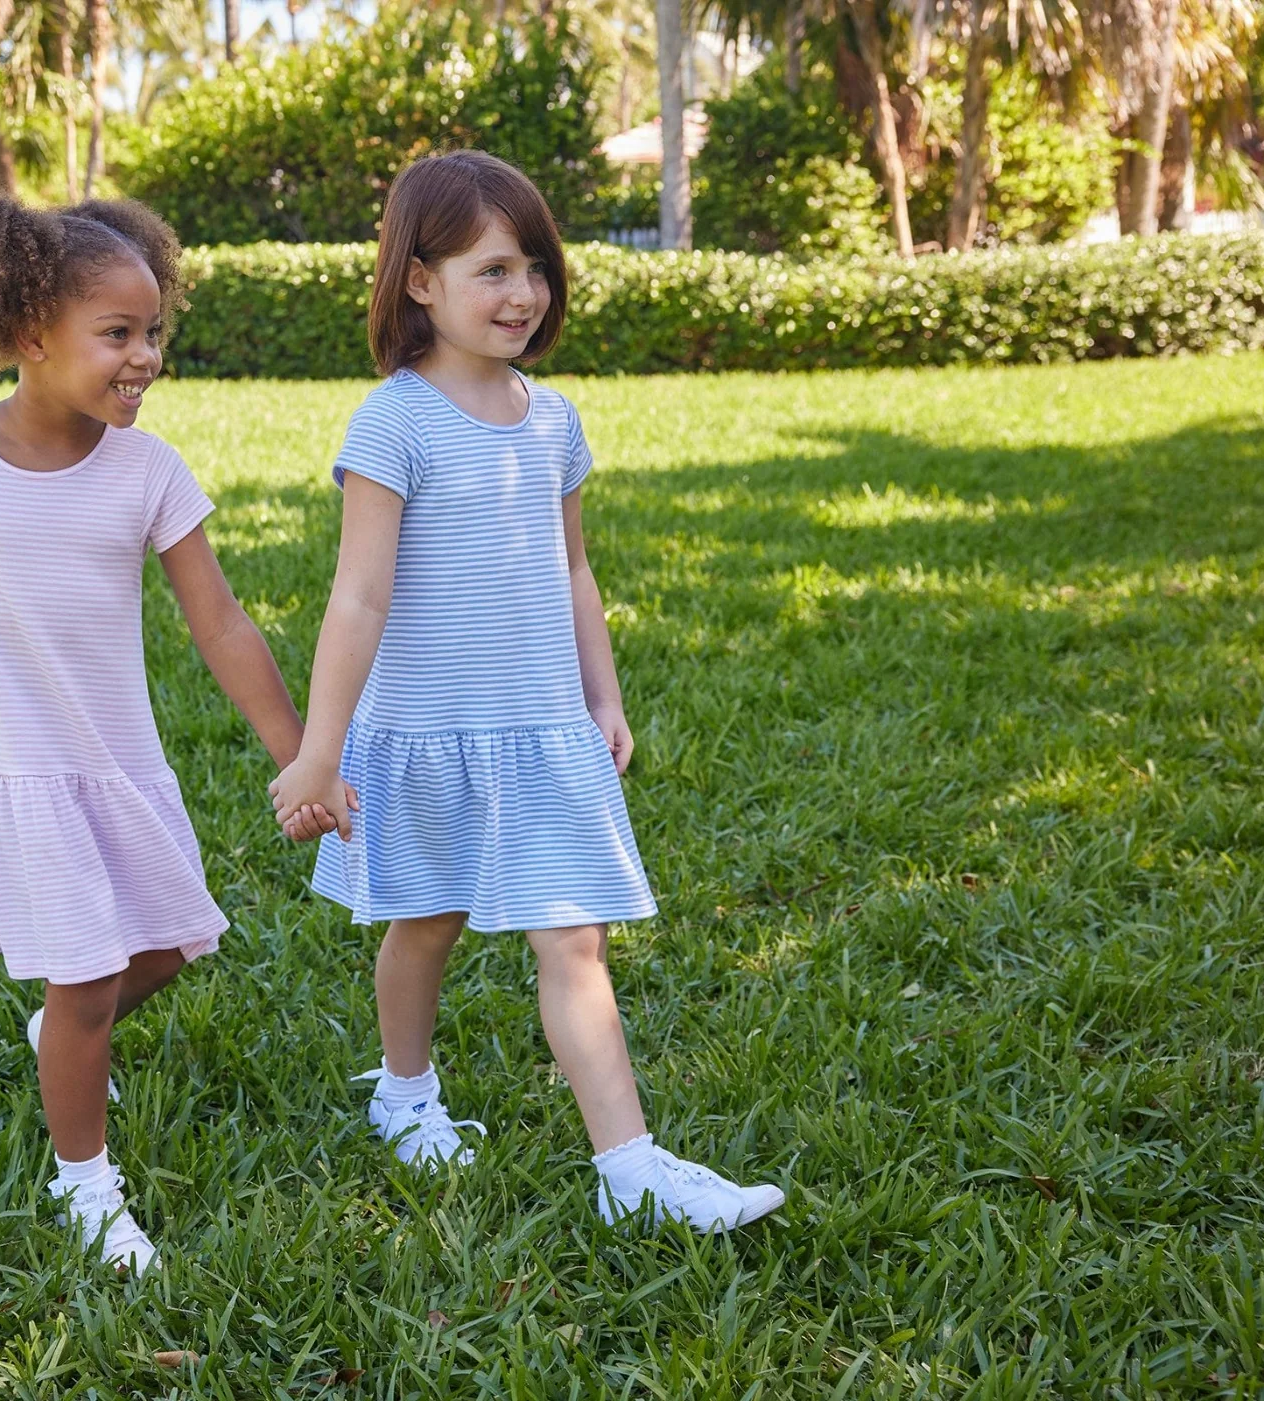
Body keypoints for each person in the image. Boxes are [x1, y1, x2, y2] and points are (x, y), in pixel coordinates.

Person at [0, 194, 329, 1273]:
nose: (147, 357)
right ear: (30, 335)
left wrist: (299, 749)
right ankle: (87, 1185)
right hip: (14, 762)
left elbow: (218, 621)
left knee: (176, 938)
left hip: (118, 758)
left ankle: (58, 1037)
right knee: (82, 983)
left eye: (153, 331)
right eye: (118, 335)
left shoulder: (148, 470)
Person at [270, 151, 785, 1234]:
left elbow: (574, 568)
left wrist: (603, 693)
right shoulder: (394, 422)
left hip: (544, 727)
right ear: (419, 281)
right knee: (425, 924)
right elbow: (357, 598)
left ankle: (629, 1165)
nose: (523, 294)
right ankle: (405, 1095)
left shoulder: (552, 420)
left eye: (536, 269)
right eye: (493, 269)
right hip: (426, 730)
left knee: (574, 937)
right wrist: (321, 750)